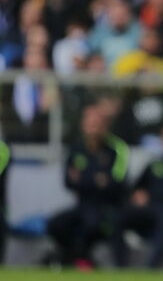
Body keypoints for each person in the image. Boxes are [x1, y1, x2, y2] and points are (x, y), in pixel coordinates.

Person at [46, 104, 129, 269]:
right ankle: (77, 258)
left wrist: (83, 178)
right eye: (90, 123)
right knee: (56, 224)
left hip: (108, 207)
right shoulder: (76, 149)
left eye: (97, 123)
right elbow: (68, 182)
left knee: (92, 223)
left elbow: (116, 183)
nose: (93, 128)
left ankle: (80, 260)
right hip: (82, 204)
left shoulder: (116, 149)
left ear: (105, 125)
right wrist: (96, 180)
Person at [113, 123, 163, 269]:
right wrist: (137, 194)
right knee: (118, 217)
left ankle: (153, 268)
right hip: (150, 208)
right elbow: (136, 188)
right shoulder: (155, 164)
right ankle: (121, 266)